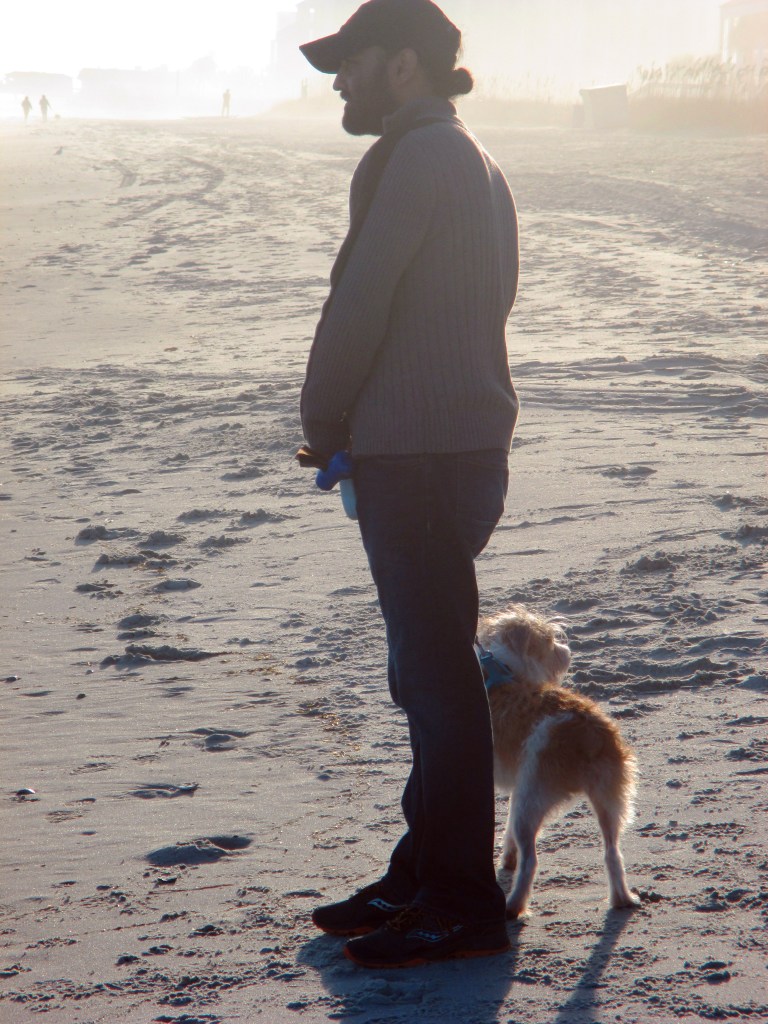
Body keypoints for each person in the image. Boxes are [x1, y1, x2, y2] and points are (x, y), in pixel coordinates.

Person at [298, 0, 519, 969]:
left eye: (350, 62)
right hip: (458, 448)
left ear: (402, 66)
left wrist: (323, 420)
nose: (338, 81)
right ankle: (423, 869)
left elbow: (362, 300)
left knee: (434, 679)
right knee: (428, 669)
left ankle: (461, 901)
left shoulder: (411, 157)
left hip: (418, 455)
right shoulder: (473, 157)